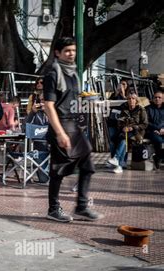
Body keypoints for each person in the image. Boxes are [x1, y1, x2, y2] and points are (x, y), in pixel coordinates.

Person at [43, 37, 103, 223]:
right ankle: (53, 210)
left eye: (73, 50)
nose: (71, 54)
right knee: (59, 169)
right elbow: (48, 105)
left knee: (87, 164)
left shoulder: (73, 73)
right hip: (60, 125)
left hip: (73, 125)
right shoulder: (53, 73)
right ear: (57, 53)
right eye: (67, 50)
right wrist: (60, 133)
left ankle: (81, 207)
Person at [107, 93, 148, 173]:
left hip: (137, 132)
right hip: (124, 132)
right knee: (121, 141)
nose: (131, 100)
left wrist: (132, 128)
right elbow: (119, 121)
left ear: (136, 101)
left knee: (123, 140)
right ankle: (120, 164)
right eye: (129, 98)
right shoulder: (123, 108)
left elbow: (144, 124)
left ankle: (117, 160)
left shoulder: (141, 109)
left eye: (133, 98)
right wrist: (123, 127)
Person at [145, 91, 164, 170]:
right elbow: (146, 122)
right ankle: (159, 157)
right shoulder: (148, 109)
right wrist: (157, 129)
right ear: (152, 99)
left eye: (159, 97)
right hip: (151, 131)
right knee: (159, 140)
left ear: (163, 99)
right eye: (155, 97)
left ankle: (159, 157)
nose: (157, 99)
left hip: (163, 130)